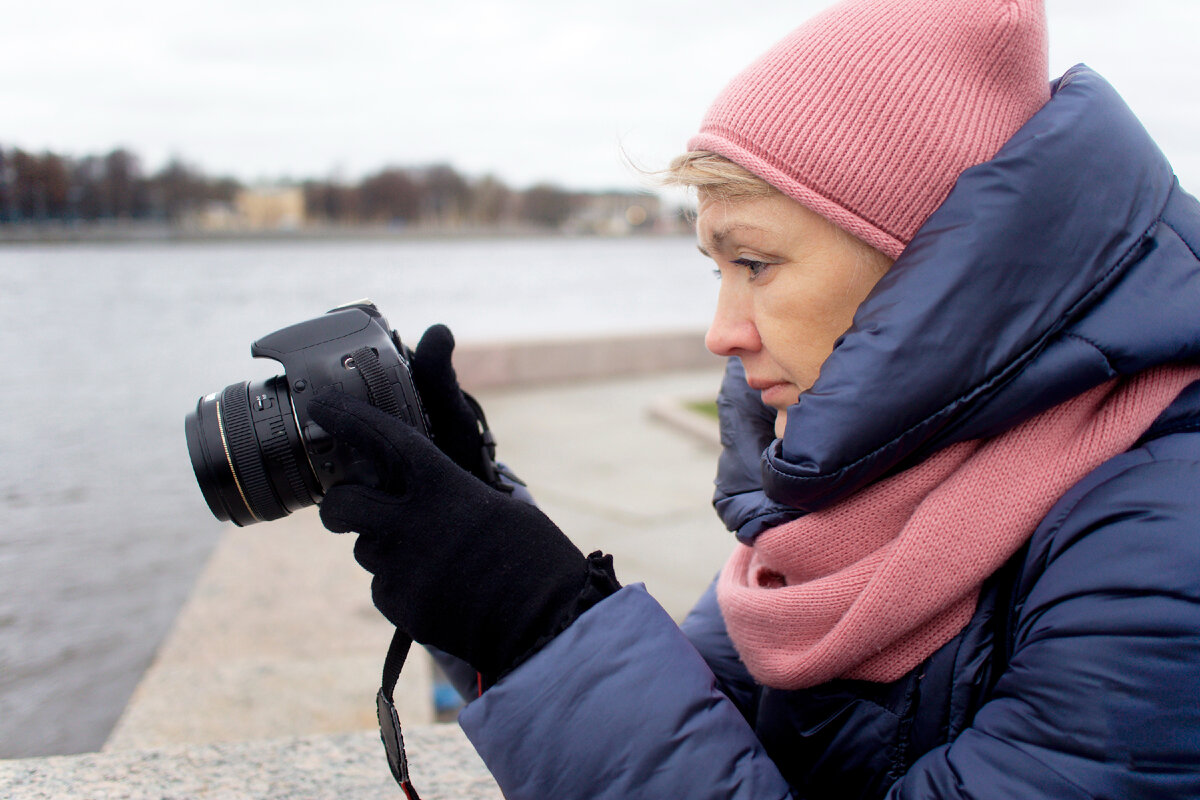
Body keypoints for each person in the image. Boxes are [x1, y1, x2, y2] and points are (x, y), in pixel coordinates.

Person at [308, 0, 1200, 796]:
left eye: (756, 264)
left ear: (939, 267)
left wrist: (537, 627)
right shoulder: (855, 494)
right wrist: (486, 557)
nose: (721, 332)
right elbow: (706, 728)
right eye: (715, 269)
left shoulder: (1161, 545)